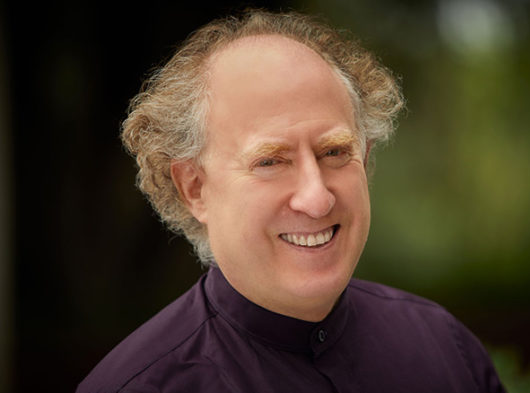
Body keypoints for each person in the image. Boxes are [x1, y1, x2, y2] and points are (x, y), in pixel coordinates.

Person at [78, 10, 505, 393]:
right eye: (270, 161)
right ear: (195, 188)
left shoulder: (446, 350)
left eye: (334, 152)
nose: (316, 198)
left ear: (366, 158)